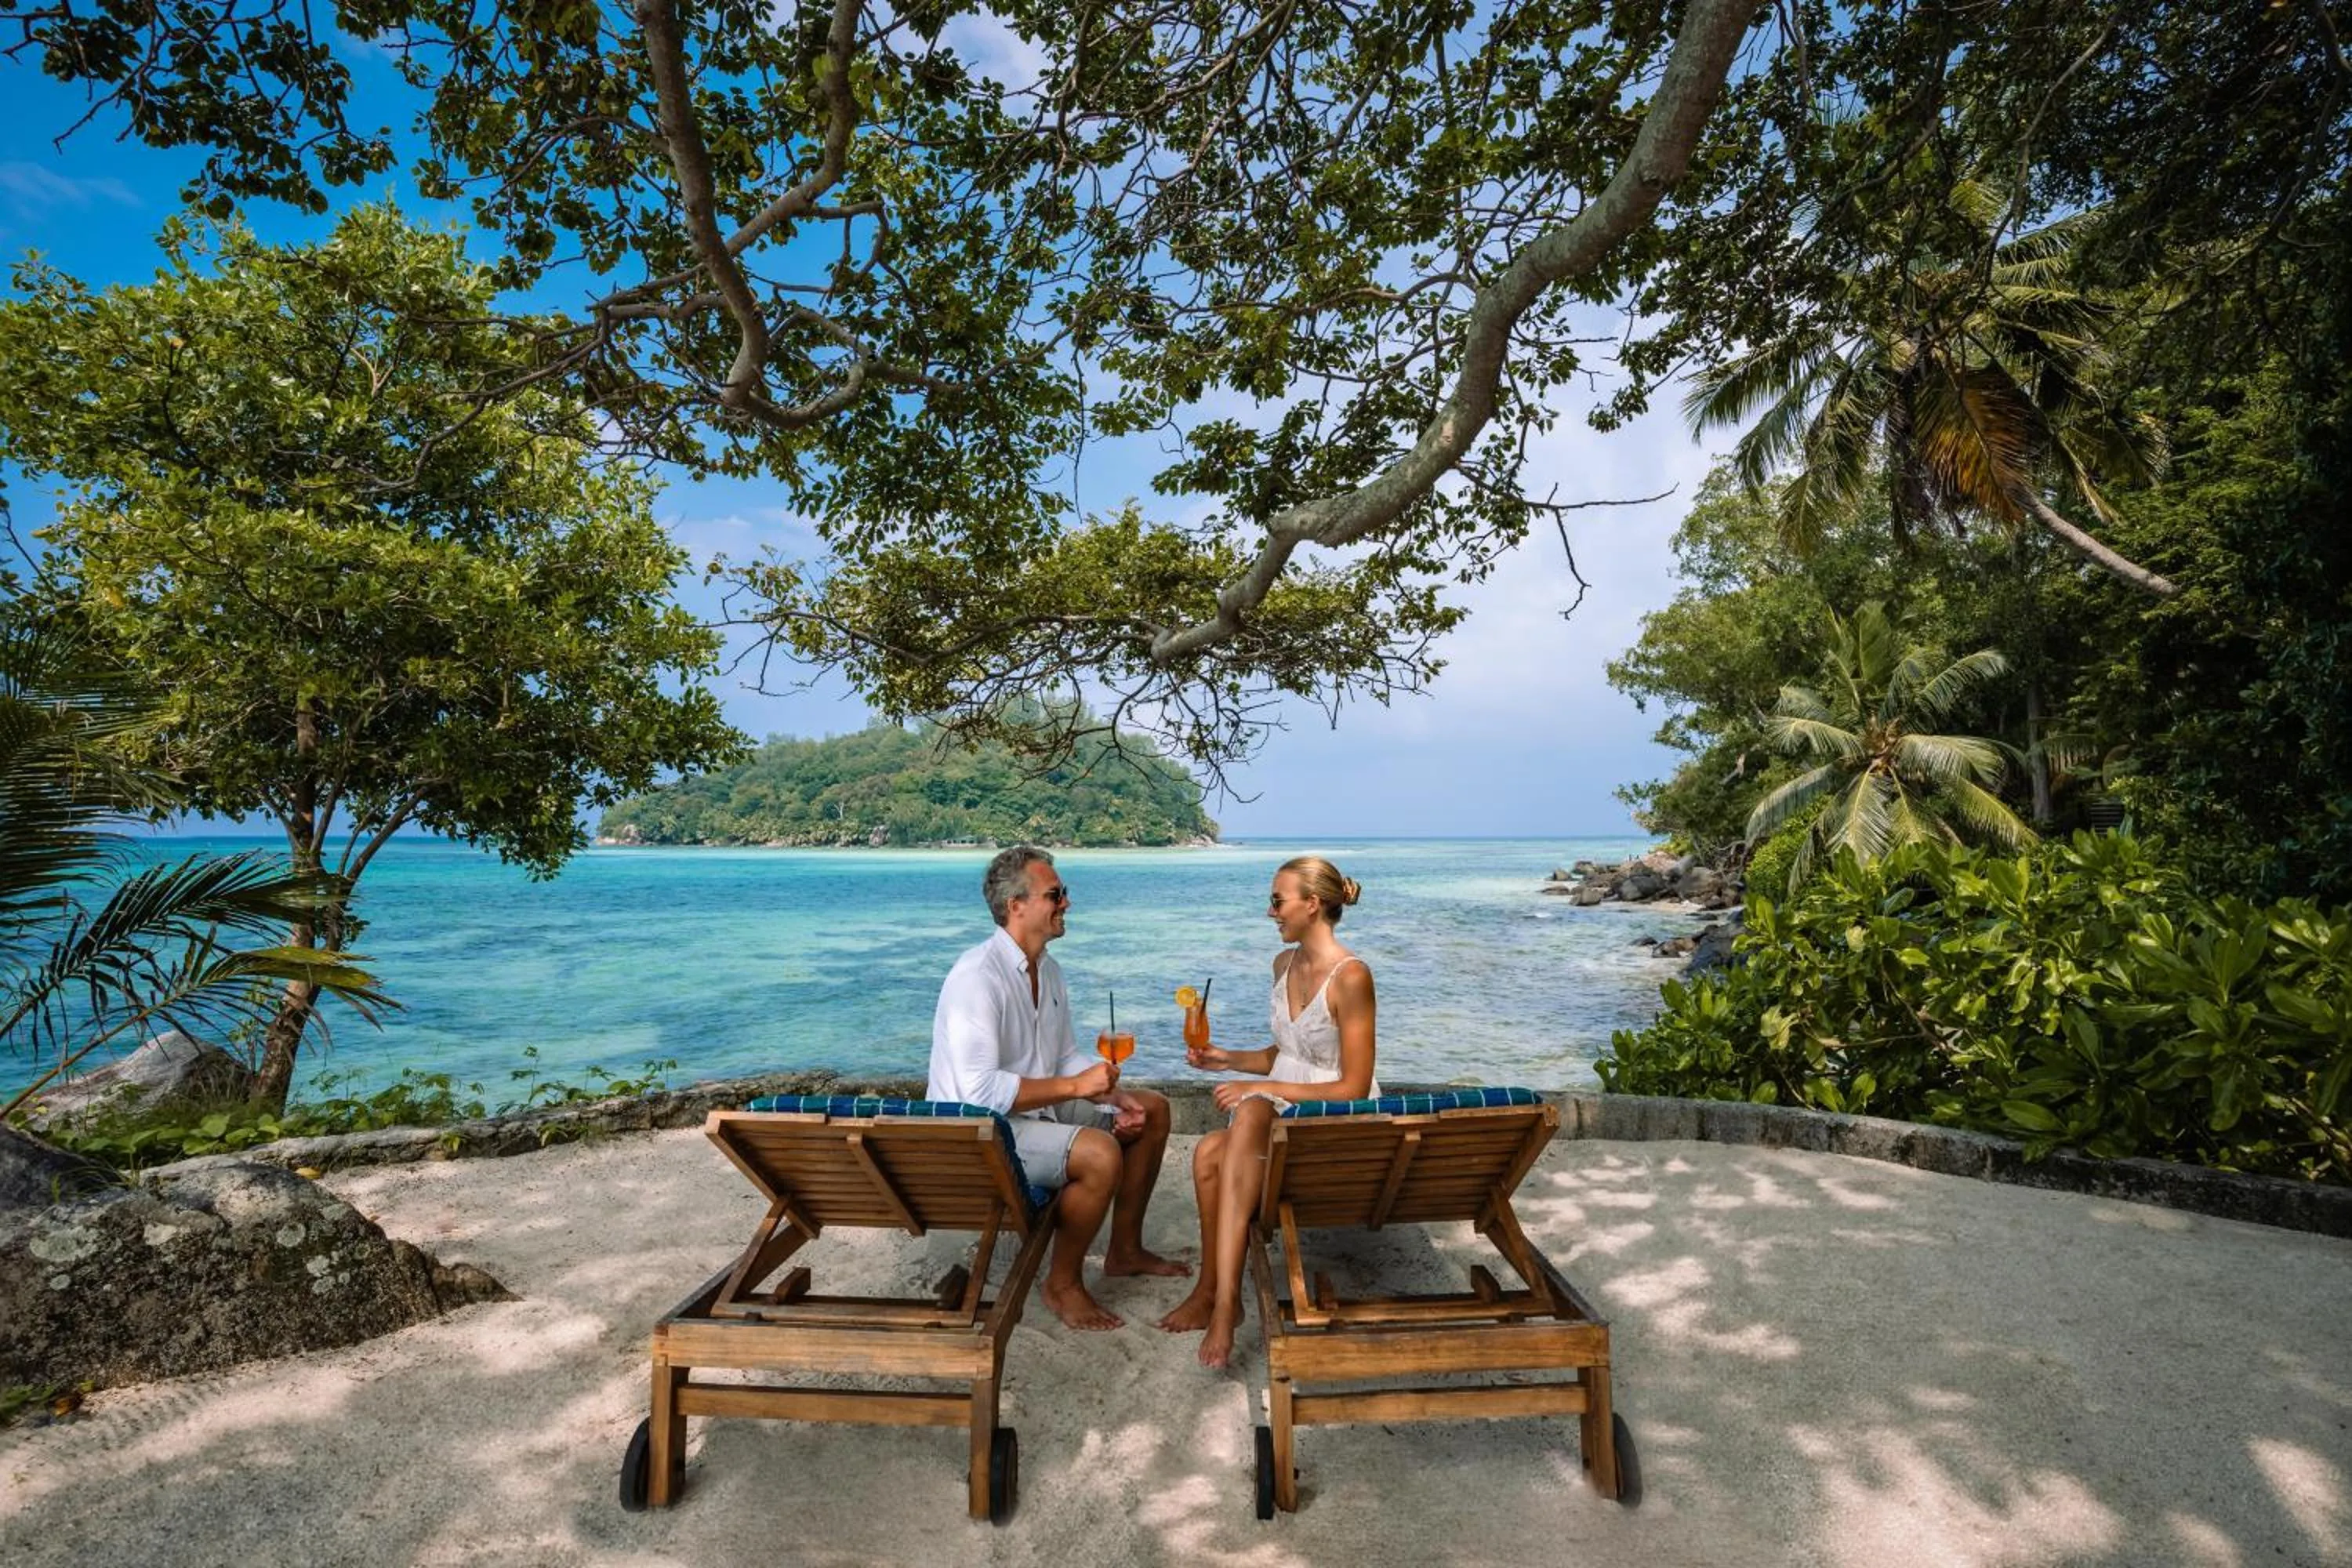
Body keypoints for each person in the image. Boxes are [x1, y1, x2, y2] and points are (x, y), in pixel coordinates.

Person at [930, 845, 1188, 1330]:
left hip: (1030, 1116)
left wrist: (1108, 1094)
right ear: (1016, 906)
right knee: (1100, 1154)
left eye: (1063, 893)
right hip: (979, 1131)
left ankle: (1125, 1250)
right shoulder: (976, 978)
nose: (1067, 902)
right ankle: (1062, 1282)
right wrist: (1075, 1085)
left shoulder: (1047, 970)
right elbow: (979, 1092)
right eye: (1056, 894)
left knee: (1152, 1110)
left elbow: (1063, 1054)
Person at [1159, 855, 1377, 1367]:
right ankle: (1211, 1289)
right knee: (1209, 1152)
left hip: (1332, 1127)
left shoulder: (1352, 977)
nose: (1270, 912)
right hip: (1283, 1114)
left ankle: (1225, 1301)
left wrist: (1264, 1089)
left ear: (1313, 904)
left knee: (1253, 1111)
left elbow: (1355, 1086)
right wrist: (1226, 1059)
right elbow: (1287, 1054)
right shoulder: (1283, 966)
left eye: (1278, 901)